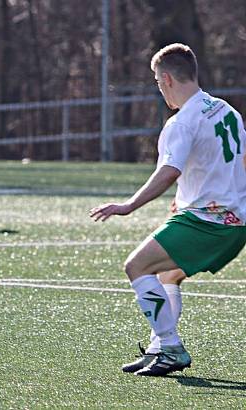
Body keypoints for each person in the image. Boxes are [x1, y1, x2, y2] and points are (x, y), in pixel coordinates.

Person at [90, 43, 246, 376]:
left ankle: (172, 347)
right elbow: (234, 161)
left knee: (136, 266)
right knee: (168, 275)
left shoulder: (181, 122)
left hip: (208, 222)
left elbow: (168, 171)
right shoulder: (225, 110)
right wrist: (189, 195)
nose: (161, 91)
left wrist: (129, 205)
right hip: (233, 221)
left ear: (168, 79)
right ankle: (161, 346)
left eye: (158, 84)